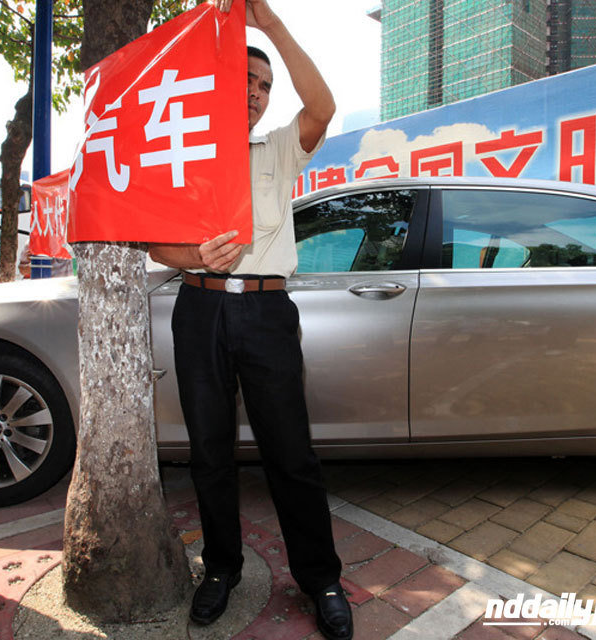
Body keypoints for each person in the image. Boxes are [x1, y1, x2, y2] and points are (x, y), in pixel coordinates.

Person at [148, 1, 353, 638]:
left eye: (263, 87)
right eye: (244, 80)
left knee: (290, 452)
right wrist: (191, 256)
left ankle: (320, 579)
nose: (257, 94)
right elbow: (157, 244)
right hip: (199, 306)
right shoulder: (180, 148)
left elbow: (321, 107)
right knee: (209, 450)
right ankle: (221, 568)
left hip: (265, 310)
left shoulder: (279, 148)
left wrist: (271, 29)